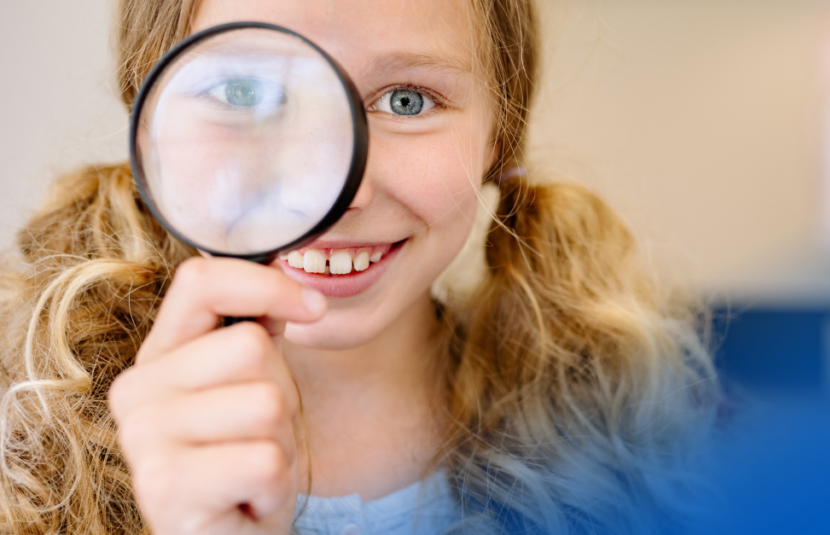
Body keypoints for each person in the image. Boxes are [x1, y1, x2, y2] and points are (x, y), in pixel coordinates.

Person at [0, 0, 719, 533]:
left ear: (499, 136)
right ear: (153, 125)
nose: (336, 190)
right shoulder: (25, 444)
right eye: (244, 93)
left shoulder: (629, 438)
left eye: (407, 101)